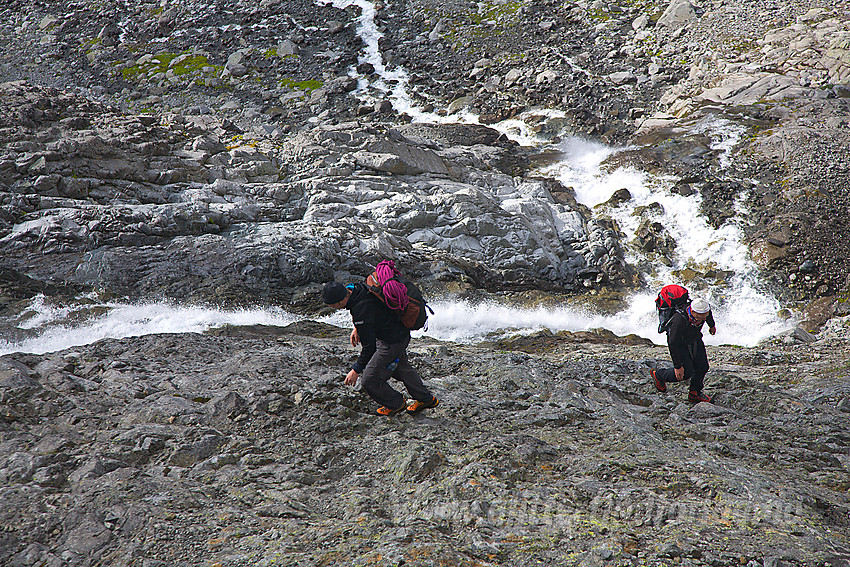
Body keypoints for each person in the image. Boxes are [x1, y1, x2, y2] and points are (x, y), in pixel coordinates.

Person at [322, 280, 439, 417]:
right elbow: (368, 311)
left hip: (391, 341)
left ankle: (396, 403)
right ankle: (426, 399)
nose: (333, 308)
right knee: (400, 368)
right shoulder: (356, 288)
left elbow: (369, 348)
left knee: (369, 379)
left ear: (341, 300)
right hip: (399, 332)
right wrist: (357, 328)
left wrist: (356, 369)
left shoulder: (361, 309)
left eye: (333, 305)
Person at [651, 297, 716, 403]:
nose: (703, 319)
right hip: (680, 344)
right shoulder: (679, 320)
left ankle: (694, 393)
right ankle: (658, 375)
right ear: (693, 312)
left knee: (702, 366)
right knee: (686, 372)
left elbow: (708, 316)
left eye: (705, 315)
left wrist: (712, 326)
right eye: (700, 317)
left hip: (694, 338)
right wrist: (677, 366)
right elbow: (672, 343)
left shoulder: (704, 312)